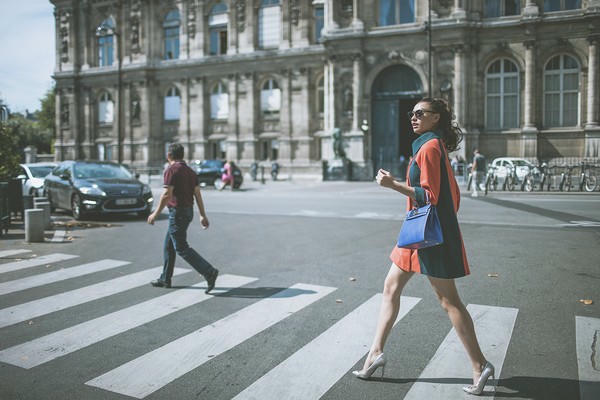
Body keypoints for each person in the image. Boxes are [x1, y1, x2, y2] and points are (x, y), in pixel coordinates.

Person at [352, 98, 494, 396]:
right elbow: (452, 196)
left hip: (429, 236)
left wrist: (392, 184)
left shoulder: (429, 147)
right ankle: (375, 354)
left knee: (449, 301)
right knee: (390, 287)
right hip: (417, 234)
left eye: (420, 113)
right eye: (412, 113)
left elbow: (430, 195)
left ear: (436, 118)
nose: (413, 118)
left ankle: (480, 365)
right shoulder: (430, 145)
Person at [147, 143, 219, 293]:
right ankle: (165, 278)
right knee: (169, 245)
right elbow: (197, 194)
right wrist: (202, 215)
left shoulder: (171, 170)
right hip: (187, 212)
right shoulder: (190, 172)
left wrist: (155, 214)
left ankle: (209, 271)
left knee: (181, 247)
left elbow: (167, 195)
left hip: (177, 213)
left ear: (169, 155)